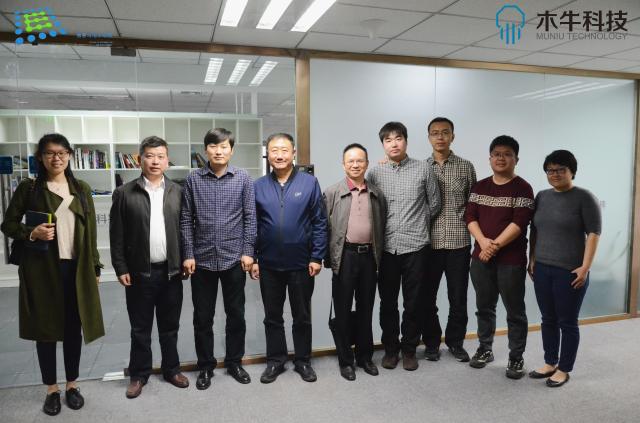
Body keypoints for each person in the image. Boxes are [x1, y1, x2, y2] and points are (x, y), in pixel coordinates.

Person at [1, 133, 104, 416]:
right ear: (41, 157)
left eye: (62, 153)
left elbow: (91, 232)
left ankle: (72, 385)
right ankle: (51, 389)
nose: (56, 158)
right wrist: (31, 232)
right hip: (41, 269)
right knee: (45, 329)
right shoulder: (30, 188)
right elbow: (8, 224)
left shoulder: (81, 188)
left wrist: (95, 266)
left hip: (76, 268)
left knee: (73, 328)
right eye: (49, 153)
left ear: (69, 155)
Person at [110, 136, 189, 399]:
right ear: (140, 159)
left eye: (160, 156)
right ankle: (139, 374)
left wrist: (186, 258)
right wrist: (120, 267)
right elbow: (116, 235)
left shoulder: (178, 191)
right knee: (140, 328)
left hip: (171, 272)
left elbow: (186, 230)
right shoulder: (124, 193)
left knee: (170, 327)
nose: (155, 161)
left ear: (167, 160)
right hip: (139, 273)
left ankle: (171, 370)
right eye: (150, 156)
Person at [180, 128, 257, 388]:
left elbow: (250, 218)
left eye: (224, 146)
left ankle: (234, 362)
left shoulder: (243, 178)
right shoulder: (193, 179)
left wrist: (248, 251)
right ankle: (205, 366)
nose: (218, 151)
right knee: (203, 318)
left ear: (231, 150)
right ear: (206, 150)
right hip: (201, 260)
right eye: (213, 146)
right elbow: (186, 219)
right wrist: (188, 254)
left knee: (236, 315)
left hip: (234, 258)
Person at [250, 133, 327, 384]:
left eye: (284, 150)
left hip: (301, 263)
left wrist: (317, 256)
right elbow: (253, 225)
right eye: (274, 150)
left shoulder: (309, 183)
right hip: (269, 264)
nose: (279, 155)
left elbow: (319, 222)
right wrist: (254, 258)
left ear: (293, 153)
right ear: (268, 155)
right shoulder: (258, 186)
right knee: (272, 316)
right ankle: (276, 361)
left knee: (301, 316)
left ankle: (303, 361)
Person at [368, 121, 441, 371]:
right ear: (383, 145)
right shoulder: (375, 173)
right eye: (388, 140)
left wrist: (417, 222)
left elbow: (435, 203)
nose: (394, 144)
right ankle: (391, 349)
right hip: (386, 248)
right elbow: (371, 208)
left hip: (416, 246)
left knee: (414, 302)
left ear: (406, 141)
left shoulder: (423, 169)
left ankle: (409, 350)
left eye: (398, 138)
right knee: (387, 303)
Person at [528, 150, 601, 388]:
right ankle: (550, 362)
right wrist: (532, 259)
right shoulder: (542, 196)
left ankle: (564, 369)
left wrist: (585, 267)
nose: (555, 174)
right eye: (550, 170)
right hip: (542, 268)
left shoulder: (584, 197)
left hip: (570, 271)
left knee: (567, 321)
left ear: (572, 171)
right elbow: (535, 230)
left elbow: (593, 233)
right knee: (547, 319)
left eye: (561, 169)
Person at [464, 135, 534, 379]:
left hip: (511, 261)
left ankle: (516, 357)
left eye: (507, 154)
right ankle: (485, 349)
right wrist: (483, 243)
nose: (501, 158)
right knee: (484, 307)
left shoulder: (523, 188)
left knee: (515, 311)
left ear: (516, 159)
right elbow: (470, 216)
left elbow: (520, 223)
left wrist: (493, 246)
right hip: (480, 258)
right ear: (490, 158)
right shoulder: (480, 186)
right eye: (496, 154)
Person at [323, 143, 386, 381]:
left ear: (367, 164)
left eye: (360, 160)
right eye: (350, 161)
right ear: (343, 165)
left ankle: (365, 357)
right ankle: (345, 361)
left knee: (365, 309)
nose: (355, 164)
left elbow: (382, 224)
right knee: (342, 310)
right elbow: (322, 227)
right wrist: (328, 259)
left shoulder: (377, 194)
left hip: (369, 257)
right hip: (345, 257)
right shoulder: (332, 192)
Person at [422, 117, 477, 363]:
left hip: (459, 243)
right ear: (429, 138)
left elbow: (473, 206)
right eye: (435, 133)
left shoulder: (466, 167)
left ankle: (455, 342)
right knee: (427, 298)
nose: (440, 137)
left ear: (453, 136)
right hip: (429, 243)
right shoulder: (421, 167)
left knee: (458, 298)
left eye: (445, 132)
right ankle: (432, 343)